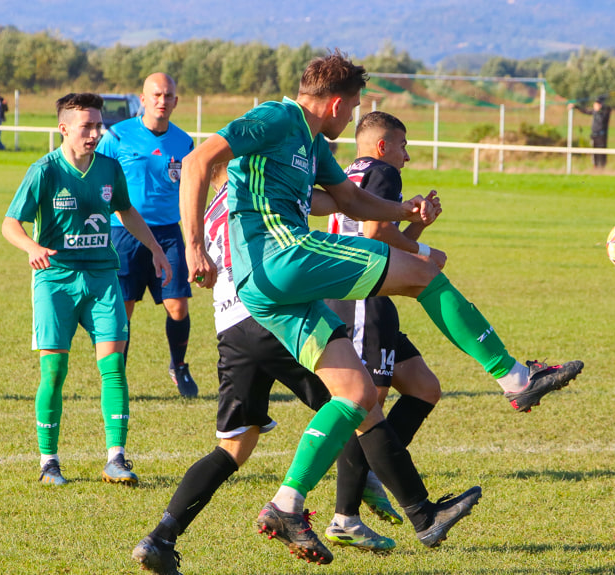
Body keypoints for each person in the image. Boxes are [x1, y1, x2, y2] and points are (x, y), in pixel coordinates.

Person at [178, 51, 583, 564]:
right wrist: (192, 246)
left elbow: (350, 201)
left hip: (265, 287)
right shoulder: (278, 117)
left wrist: (404, 210)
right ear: (336, 103)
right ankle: (515, 378)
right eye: (351, 111)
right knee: (423, 276)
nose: (351, 121)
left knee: (356, 394)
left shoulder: (310, 144)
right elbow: (197, 161)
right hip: (280, 254)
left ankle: (287, 504)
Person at [132, 168, 477, 574]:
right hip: (272, 314)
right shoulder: (262, 187)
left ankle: (160, 538)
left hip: (230, 329)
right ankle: (417, 515)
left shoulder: (212, 209)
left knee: (234, 448)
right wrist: (401, 210)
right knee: (358, 399)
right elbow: (338, 202)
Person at [1, 93, 172, 487]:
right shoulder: (44, 170)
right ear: (63, 129)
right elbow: (11, 223)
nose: (95, 133)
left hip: (102, 277)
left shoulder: (110, 169)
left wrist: (155, 248)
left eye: (98, 125)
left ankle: (116, 458)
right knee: (55, 371)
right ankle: (49, 462)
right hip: (55, 278)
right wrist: (31, 247)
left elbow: (126, 210)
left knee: (113, 366)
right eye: (86, 127)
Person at [321, 111, 451, 550]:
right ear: (382, 146)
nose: (407, 155)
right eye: (402, 145)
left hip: (369, 293)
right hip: (361, 296)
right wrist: (425, 251)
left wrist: (418, 228)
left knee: (423, 387)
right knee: (363, 405)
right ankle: (345, 514)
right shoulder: (382, 170)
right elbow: (376, 232)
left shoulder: (350, 170)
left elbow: (376, 231)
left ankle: (374, 472)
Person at [96, 73, 198, 398]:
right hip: (122, 231)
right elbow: (97, 175)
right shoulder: (117, 135)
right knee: (123, 310)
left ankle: (178, 366)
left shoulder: (184, 143)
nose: (161, 101)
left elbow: (190, 189)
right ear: (142, 99)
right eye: (155, 95)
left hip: (167, 232)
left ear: (176, 101)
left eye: (168, 96)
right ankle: (117, 378)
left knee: (178, 306)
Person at [569, 95, 611, 168]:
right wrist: (576, 106)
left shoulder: (605, 112)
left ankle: (601, 167)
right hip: (594, 135)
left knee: (601, 153)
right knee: (594, 153)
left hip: (601, 136)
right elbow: (585, 111)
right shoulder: (595, 112)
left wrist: (600, 106)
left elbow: (605, 112)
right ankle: (596, 166)